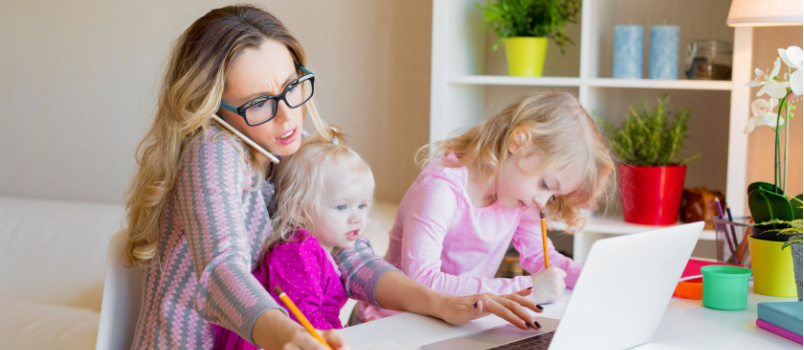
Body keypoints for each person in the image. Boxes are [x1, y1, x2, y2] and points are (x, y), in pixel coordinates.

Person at [122, 5, 541, 350]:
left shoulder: (289, 147)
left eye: (292, 88)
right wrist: (288, 336)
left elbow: (351, 256)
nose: (288, 117)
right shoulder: (212, 150)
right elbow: (221, 270)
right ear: (213, 109)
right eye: (259, 104)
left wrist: (442, 303)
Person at [356, 91, 615, 323]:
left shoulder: (519, 198)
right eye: (545, 184)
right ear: (518, 142)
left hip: (453, 322)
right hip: (391, 322)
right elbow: (421, 281)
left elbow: (542, 258)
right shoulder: (442, 187)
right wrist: (523, 290)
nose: (542, 202)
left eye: (554, 196)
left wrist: (596, 275)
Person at [215, 128, 382, 349]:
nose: (357, 218)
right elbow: (304, 320)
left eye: (362, 205)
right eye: (342, 207)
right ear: (300, 211)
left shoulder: (323, 250)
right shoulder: (299, 251)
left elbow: (321, 319)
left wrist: (350, 334)